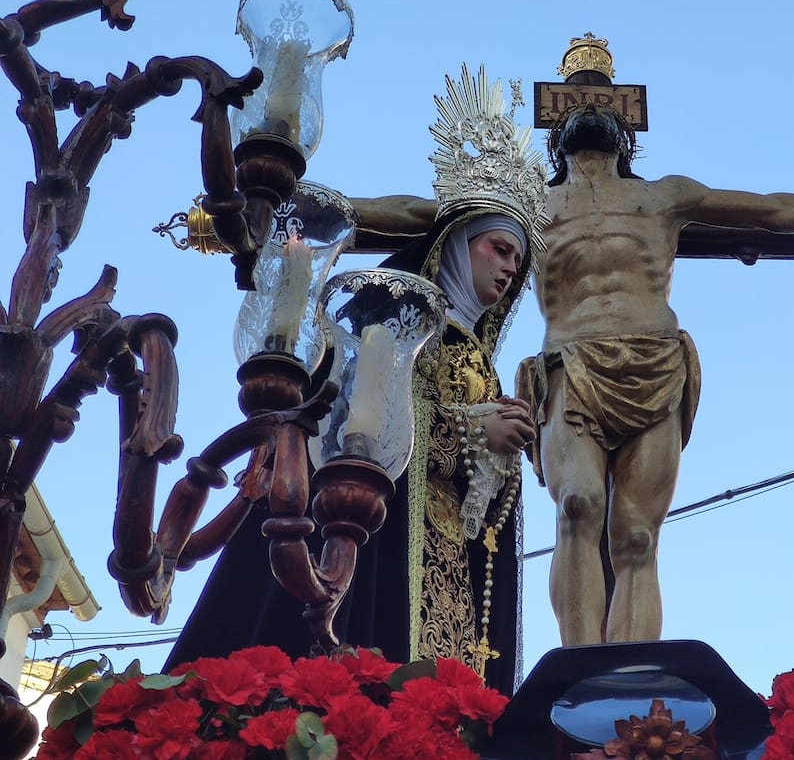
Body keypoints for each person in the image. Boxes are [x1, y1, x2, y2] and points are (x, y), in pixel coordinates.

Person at [166, 67, 542, 694]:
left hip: (447, 569)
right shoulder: (388, 318)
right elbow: (356, 429)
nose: (509, 269)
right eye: (499, 249)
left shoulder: (484, 362)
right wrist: (476, 434)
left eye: (519, 261)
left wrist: (497, 452)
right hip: (377, 548)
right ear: (455, 245)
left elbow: (472, 500)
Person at [516, 101, 794, 647]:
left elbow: (773, 210)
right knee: (577, 505)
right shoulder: (526, 201)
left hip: (655, 364)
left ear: (628, 141)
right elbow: (419, 213)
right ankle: (578, 667)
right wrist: (354, 215)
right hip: (569, 365)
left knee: (637, 536)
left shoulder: (663, 196)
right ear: (554, 140)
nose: (592, 112)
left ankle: (632, 672)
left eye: (605, 109)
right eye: (580, 108)